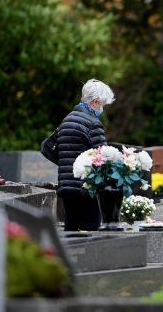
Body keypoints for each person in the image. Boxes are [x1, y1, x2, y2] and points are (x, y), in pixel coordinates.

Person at [56, 78, 115, 231]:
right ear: (96, 102)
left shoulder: (67, 119)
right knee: (91, 234)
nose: (102, 108)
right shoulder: (92, 123)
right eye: (102, 105)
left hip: (67, 187)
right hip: (84, 188)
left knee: (71, 232)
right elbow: (103, 156)